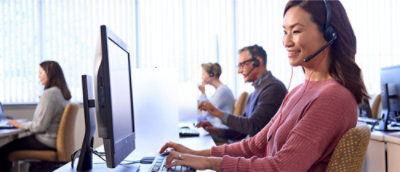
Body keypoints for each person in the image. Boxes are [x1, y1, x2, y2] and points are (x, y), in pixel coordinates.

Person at [159, 0, 369, 171]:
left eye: (295, 31)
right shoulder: (300, 90)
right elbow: (254, 145)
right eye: (285, 31)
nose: (286, 41)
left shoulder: (333, 97)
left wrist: (208, 163)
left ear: (330, 34)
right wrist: (194, 154)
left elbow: (283, 167)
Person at [196, 44, 286, 142]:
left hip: (264, 154)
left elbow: (253, 126)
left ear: (257, 62)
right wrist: (216, 131)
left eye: (242, 65)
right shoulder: (255, 92)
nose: (239, 71)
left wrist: (217, 113)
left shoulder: (273, 88)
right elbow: (241, 131)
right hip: (253, 150)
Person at [0, 60, 71, 171]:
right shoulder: (60, 92)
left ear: (50, 74)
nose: (38, 77)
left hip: (45, 140)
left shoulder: (50, 93)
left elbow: (40, 127)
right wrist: (23, 124)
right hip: (51, 139)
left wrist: (20, 125)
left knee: (3, 151)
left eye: (41, 73)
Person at [197, 62, 235, 130]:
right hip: (216, 126)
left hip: (220, 128)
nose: (201, 77)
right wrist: (203, 92)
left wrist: (203, 93)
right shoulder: (220, 90)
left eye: (203, 74)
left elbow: (205, 113)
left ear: (212, 75)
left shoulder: (222, 91)